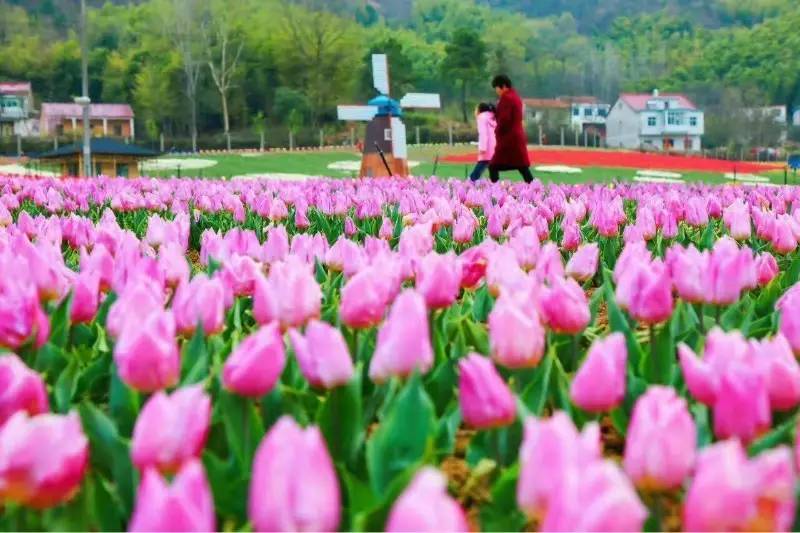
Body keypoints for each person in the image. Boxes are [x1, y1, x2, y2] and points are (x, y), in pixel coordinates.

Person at [489, 75, 534, 184]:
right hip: (516, 137)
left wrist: (497, 130)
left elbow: (505, 119)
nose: (497, 91)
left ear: (503, 86)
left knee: (493, 166)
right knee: (522, 166)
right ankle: (534, 187)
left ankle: (495, 189)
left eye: (497, 88)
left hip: (508, 139)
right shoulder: (515, 97)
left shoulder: (506, 98)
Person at [469, 102, 496, 182]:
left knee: (475, 174)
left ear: (480, 110)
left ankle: (469, 186)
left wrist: (482, 148)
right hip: (494, 148)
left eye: (476, 109)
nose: (475, 111)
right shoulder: (492, 118)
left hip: (486, 149)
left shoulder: (481, 118)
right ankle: (495, 188)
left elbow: (483, 134)